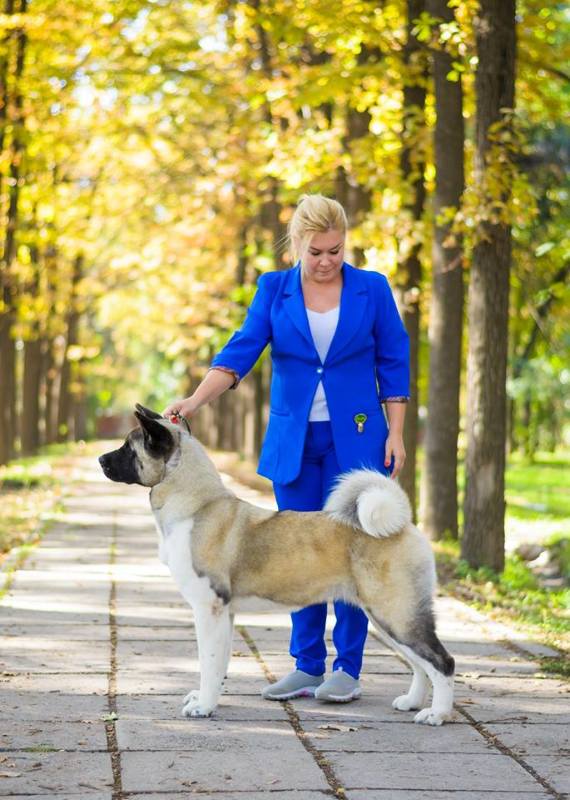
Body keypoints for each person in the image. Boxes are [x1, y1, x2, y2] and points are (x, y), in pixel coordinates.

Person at [163, 194, 410, 703]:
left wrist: (396, 432)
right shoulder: (273, 289)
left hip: (356, 438)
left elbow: (393, 361)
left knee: (353, 550)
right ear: (296, 243)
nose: (326, 261)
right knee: (295, 553)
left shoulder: (372, 288)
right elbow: (240, 352)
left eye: (335, 251)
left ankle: (348, 668)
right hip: (294, 442)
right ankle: (307, 665)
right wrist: (194, 401)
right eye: (315, 251)